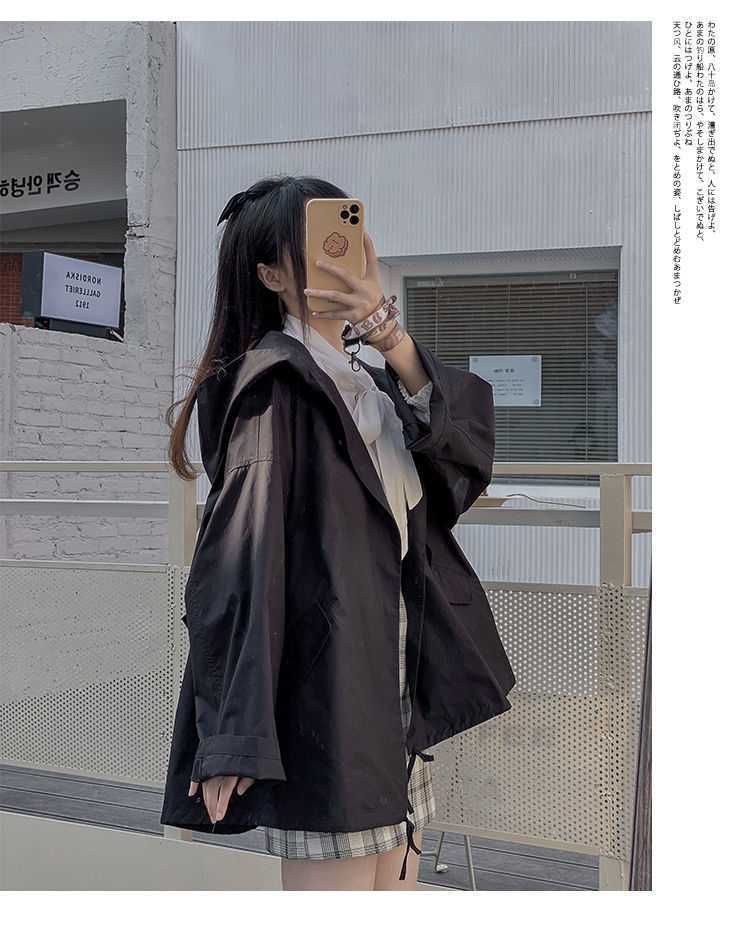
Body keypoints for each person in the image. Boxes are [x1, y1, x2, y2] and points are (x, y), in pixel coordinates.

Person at [161, 175, 516, 891]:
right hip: (328, 701)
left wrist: (390, 335)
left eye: (345, 238)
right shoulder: (275, 388)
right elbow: (237, 563)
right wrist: (229, 732)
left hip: (391, 690)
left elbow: (463, 462)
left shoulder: (368, 385)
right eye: (317, 246)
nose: (340, 257)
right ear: (271, 275)